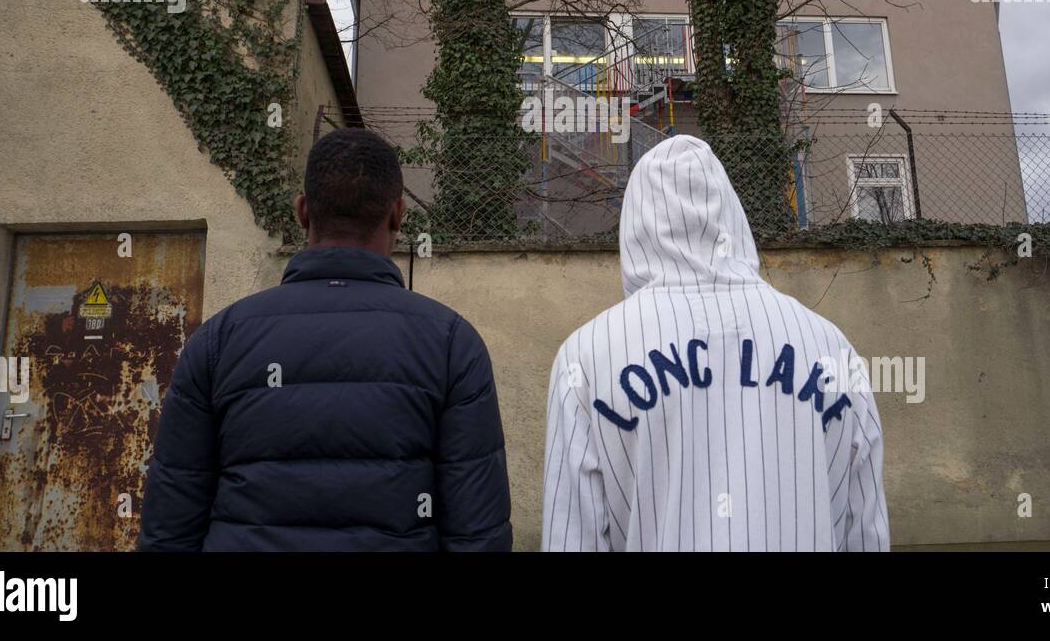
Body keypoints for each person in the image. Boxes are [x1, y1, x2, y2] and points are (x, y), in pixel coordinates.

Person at [139, 127, 511, 551]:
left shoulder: (219, 341)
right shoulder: (451, 344)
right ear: (398, 215)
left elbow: (170, 529)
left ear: (302, 212)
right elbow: (477, 536)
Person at [541, 135, 888, 551]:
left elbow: (571, 537)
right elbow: (865, 526)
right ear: (731, 214)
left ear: (635, 223)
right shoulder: (829, 345)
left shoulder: (586, 357)